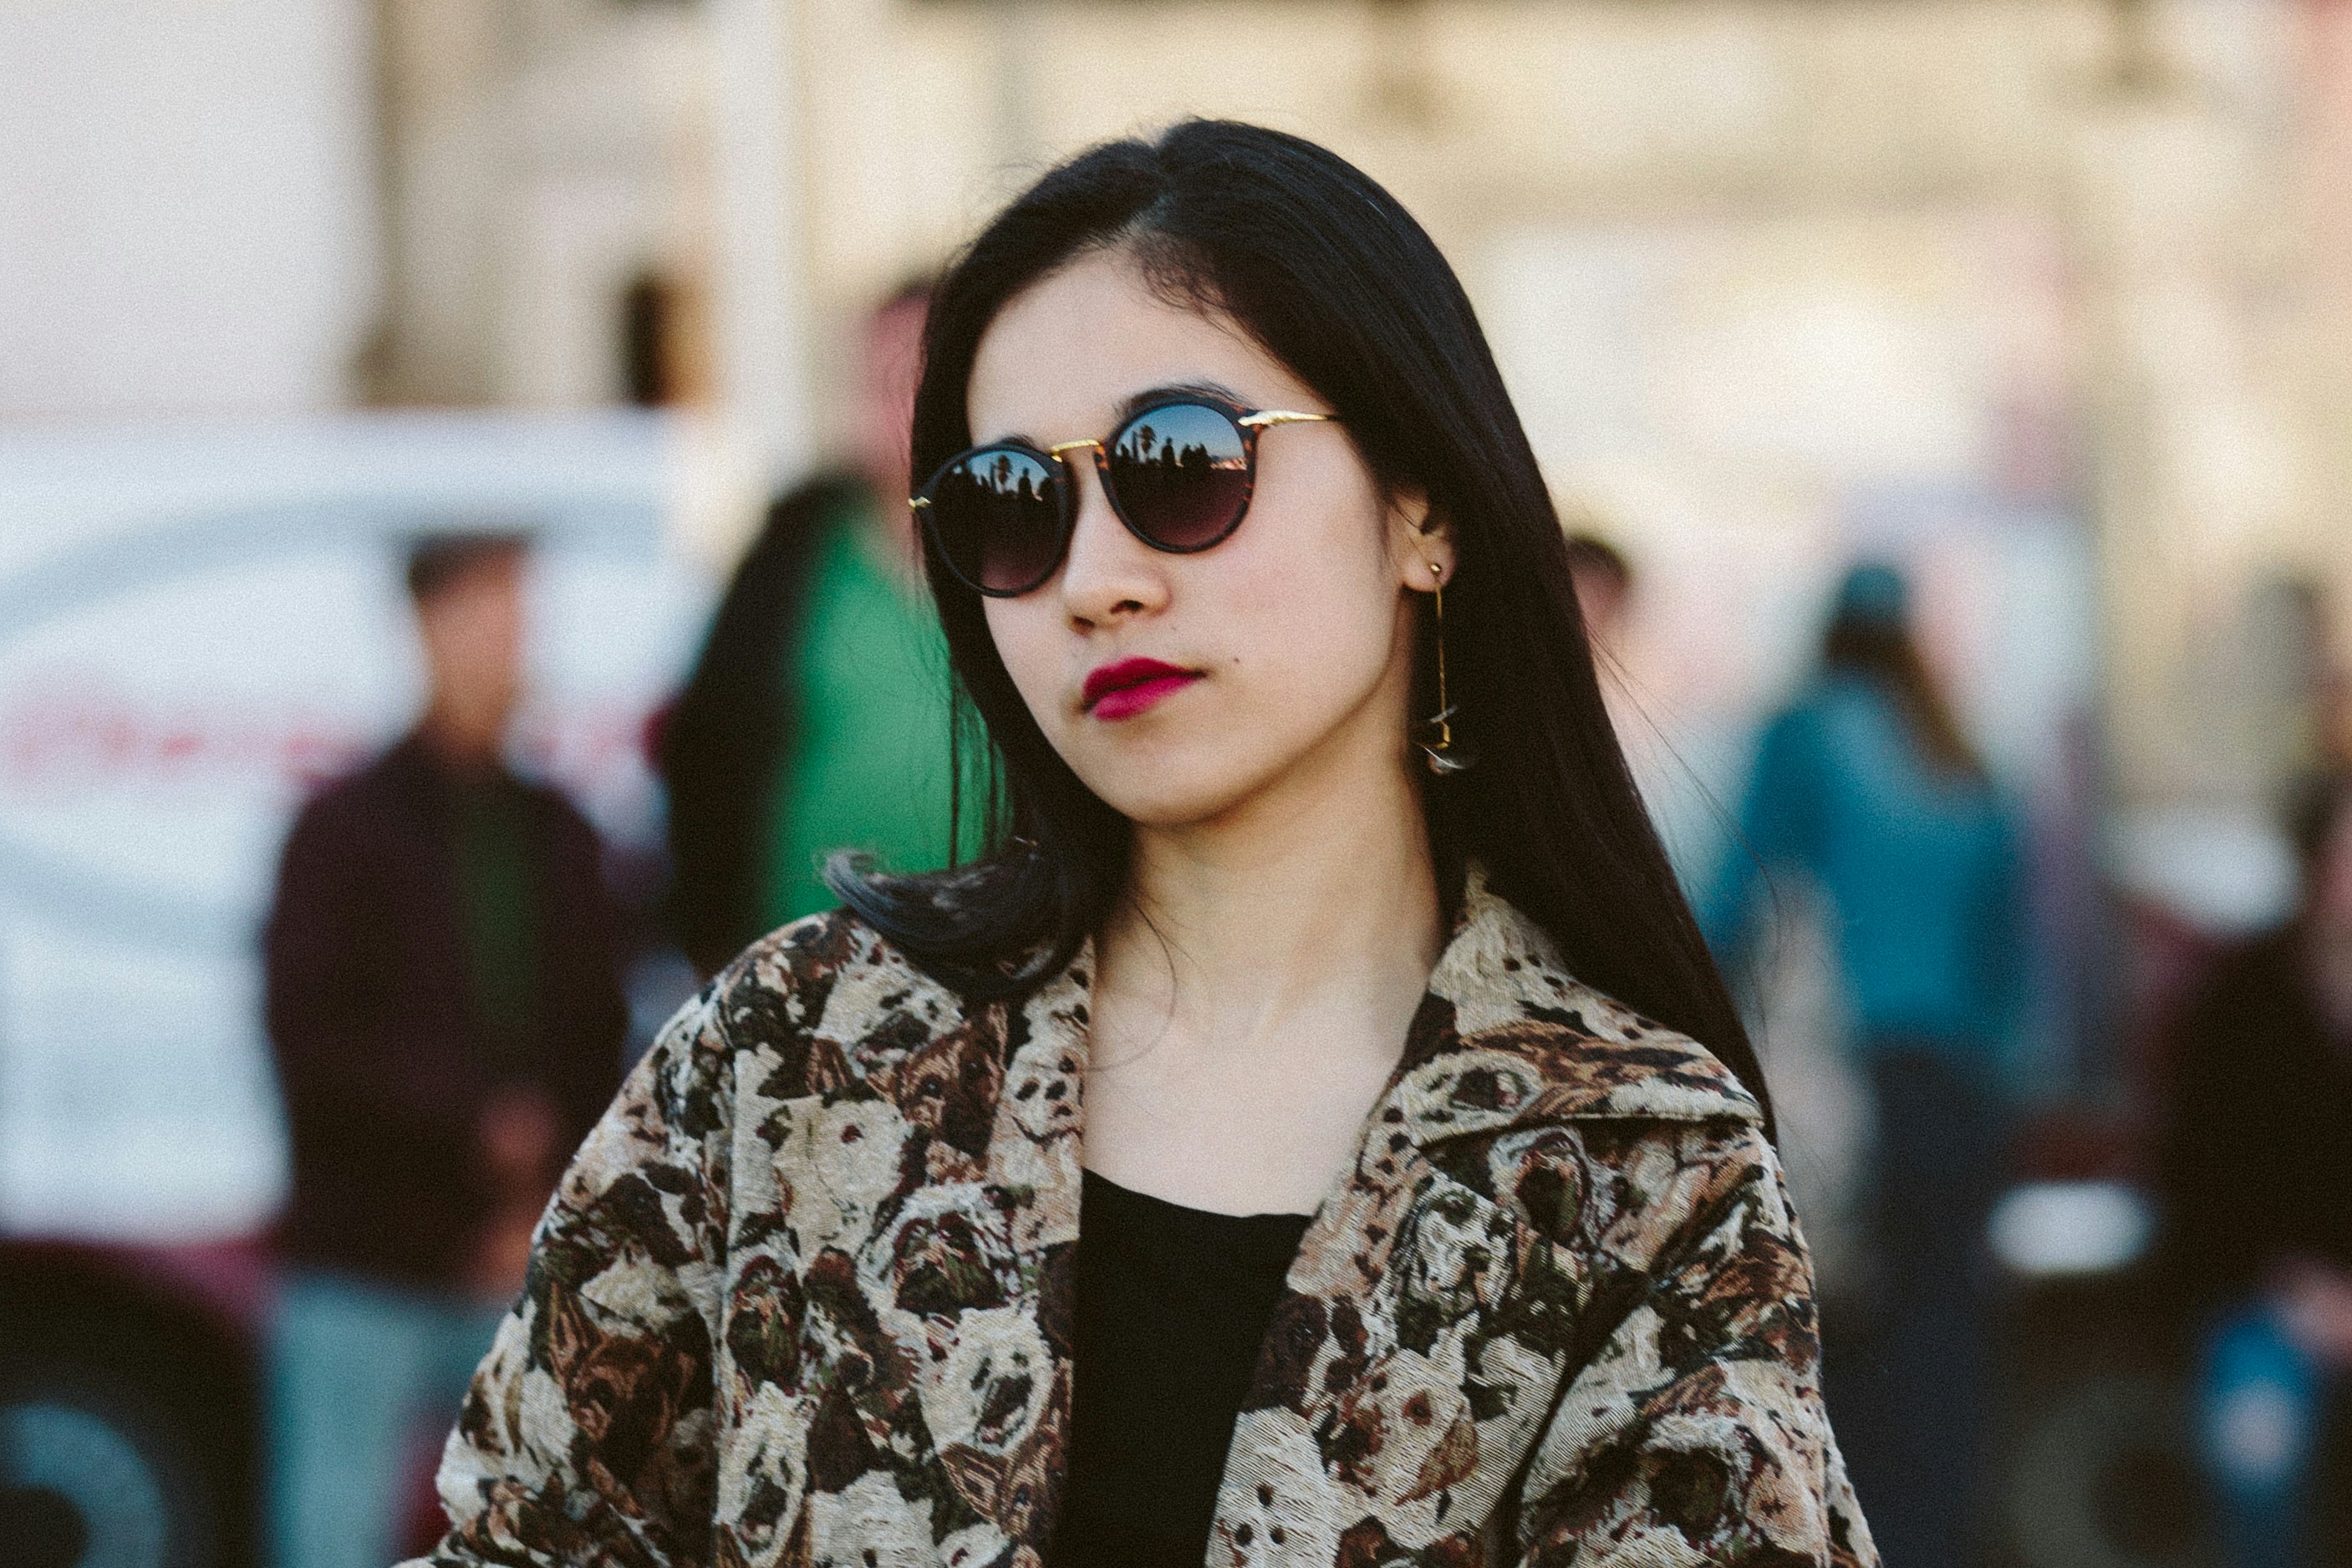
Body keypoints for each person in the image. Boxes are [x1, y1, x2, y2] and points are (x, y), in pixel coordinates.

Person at [405, 122, 1874, 1568]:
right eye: (1010, 506)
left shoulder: (1629, 1166)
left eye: (1178, 466)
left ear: (1421, 505)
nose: (1094, 580)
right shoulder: (798, 1057)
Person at [263, 532, 627, 1568]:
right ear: (426, 627)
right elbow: (309, 1038)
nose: (504, 645)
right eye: (482, 615)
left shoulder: (558, 828)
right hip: (368, 1255)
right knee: (333, 1529)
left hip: (514, 1260)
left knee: (541, 1532)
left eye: (517, 617)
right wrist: (471, 1126)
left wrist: (535, 1196)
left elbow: (597, 1031)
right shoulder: (344, 827)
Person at [1702, 562, 2022, 1568]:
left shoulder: (1799, 735)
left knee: (1836, 1335)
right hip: (1961, 1089)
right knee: (1945, 1338)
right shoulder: (1966, 757)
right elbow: (2010, 960)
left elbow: (1733, 901)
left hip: (1844, 1085)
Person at [659, 280, 975, 978]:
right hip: (802, 971)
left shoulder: (1023, 546)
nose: (899, 406)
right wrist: (707, 937)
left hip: (991, 970)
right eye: (877, 382)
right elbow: (707, 745)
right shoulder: (795, 548)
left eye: (919, 379)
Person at [2156, 771, 2352, 1566]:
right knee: (2257, 1449)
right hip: (2271, 1305)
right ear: (2314, 865)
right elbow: (2201, 1188)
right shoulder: (2244, 1006)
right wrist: (2303, 1295)